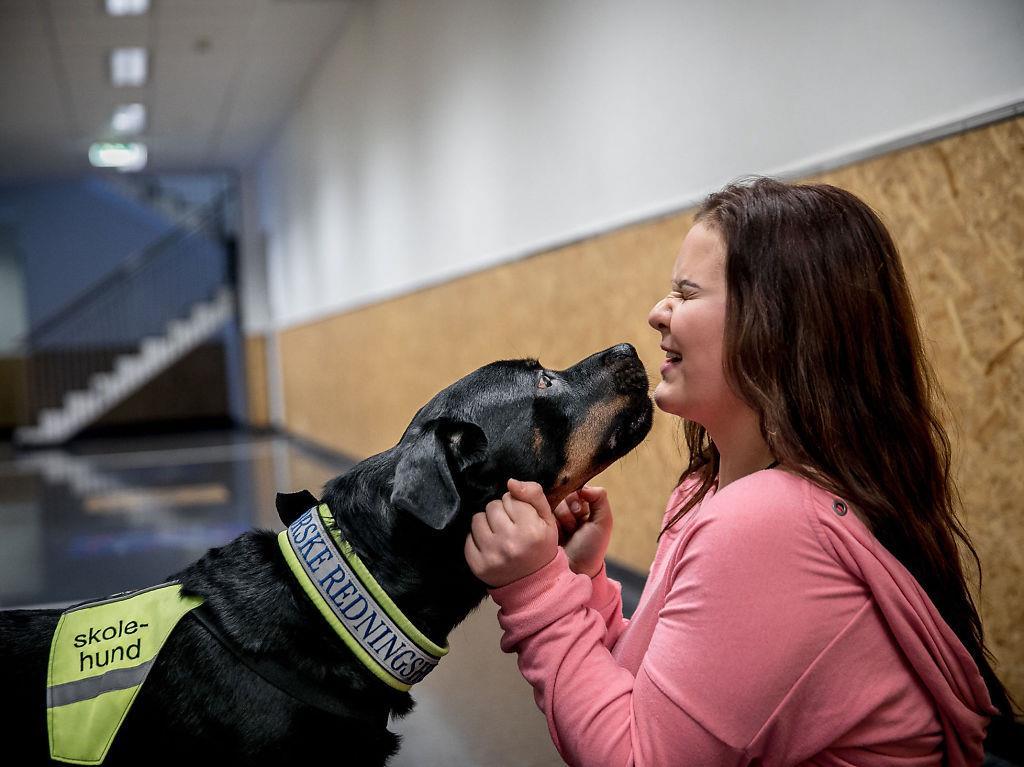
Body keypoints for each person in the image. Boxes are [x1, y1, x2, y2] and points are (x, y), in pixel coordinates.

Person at [464, 178, 1017, 766]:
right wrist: (584, 583)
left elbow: (637, 758)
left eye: (686, 292)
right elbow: (662, 700)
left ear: (777, 325)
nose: (658, 312)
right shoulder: (709, 489)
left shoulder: (768, 523)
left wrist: (539, 590)